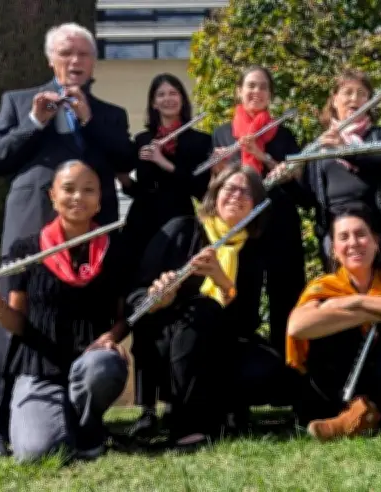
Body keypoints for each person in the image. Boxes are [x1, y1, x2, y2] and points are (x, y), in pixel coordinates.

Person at [0, 22, 133, 457]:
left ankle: (79, 419)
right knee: (12, 317)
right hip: (31, 225)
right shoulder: (17, 102)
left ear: (94, 62)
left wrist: (88, 120)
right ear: (51, 59)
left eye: (84, 54)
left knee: (88, 318)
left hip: (88, 230)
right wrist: (34, 121)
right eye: (66, 53)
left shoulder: (110, 113)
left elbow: (123, 159)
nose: (75, 61)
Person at [0, 160, 129, 463]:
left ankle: (88, 431)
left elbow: (121, 316)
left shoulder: (114, 248)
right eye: (69, 189)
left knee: (103, 366)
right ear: (52, 196)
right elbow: (19, 324)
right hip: (39, 368)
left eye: (89, 190)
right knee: (36, 454)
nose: (78, 197)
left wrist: (112, 337)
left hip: (89, 360)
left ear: (99, 199)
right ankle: (66, 423)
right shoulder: (27, 249)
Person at [127, 166, 294, 449]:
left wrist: (221, 279)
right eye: (230, 188)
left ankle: (221, 411)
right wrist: (160, 297)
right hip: (168, 338)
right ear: (214, 195)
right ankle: (188, 425)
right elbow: (135, 295)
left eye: (247, 192)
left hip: (222, 341)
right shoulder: (182, 229)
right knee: (201, 310)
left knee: (267, 366)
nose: (237, 196)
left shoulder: (251, 250)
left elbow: (246, 321)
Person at [286, 205, 381, 441]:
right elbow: (298, 326)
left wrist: (358, 302)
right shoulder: (325, 285)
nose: (354, 243)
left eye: (361, 234)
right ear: (334, 250)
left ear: (375, 243)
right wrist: (369, 312)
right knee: (333, 328)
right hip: (342, 385)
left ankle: (373, 413)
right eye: (344, 237)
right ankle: (375, 412)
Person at [116, 73, 212, 436]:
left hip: (180, 231)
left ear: (182, 100)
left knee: (177, 310)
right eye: (161, 94)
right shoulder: (141, 140)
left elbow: (201, 189)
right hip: (143, 231)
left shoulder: (198, 141)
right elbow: (142, 190)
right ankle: (145, 409)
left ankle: (175, 401)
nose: (168, 99)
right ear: (153, 102)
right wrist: (125, 180)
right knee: (144, 313)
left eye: (174, 93)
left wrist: (165, 161)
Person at [210, 65, 306, 358]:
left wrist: (263, 155)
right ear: (239, 91)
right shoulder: (223, 134)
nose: (256, 92)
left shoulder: (284, 135)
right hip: (242, 229)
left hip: (280, 224)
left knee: (285, 298)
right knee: (243, 298)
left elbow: (300, 188)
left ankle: (287, 372)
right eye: (250, 86)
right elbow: (217, 187)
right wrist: (218, 169)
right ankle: (242, 375)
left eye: (263, 87)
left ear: (270, 95)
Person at [286, 69, 381, 270]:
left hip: (378, 230)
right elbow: (309, 199)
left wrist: (345, 150)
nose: (355, 99)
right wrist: (292, 179)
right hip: (335, 233)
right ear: (334, 100)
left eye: (362, 94)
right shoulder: (320, 144)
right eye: (348, 92)